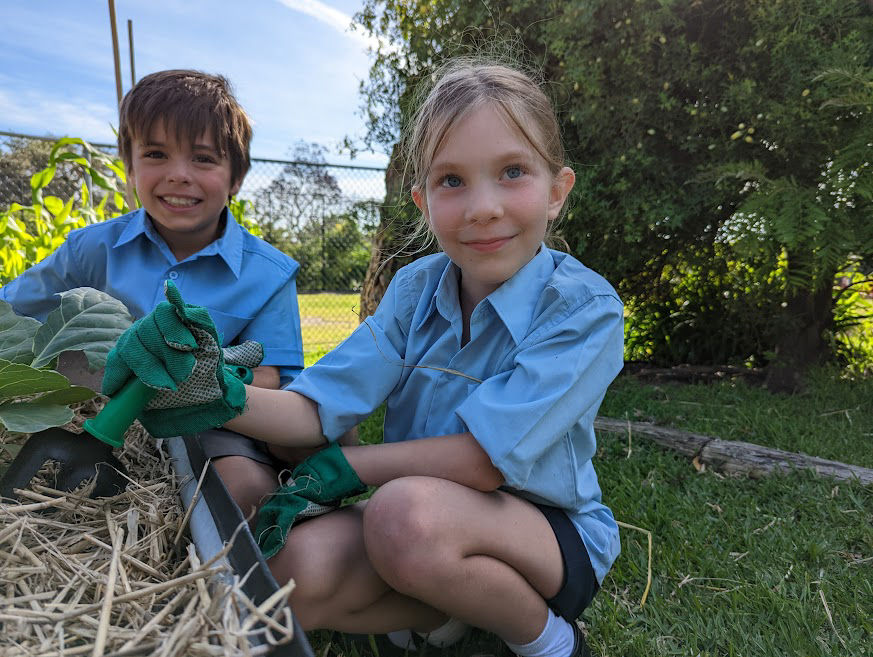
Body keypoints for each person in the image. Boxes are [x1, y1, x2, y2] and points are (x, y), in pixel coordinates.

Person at [103, 59, 624, 657]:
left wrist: (350, 469)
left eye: (512, 172)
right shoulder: (415, 289)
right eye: (451, 180)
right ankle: (446, 608)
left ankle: (547, 638)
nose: (482, 207)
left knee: (402, 514)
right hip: (421, 520)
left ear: (557, 191)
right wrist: (215, 391)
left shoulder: (583, 308)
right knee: (285, 576)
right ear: (423, 201)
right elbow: (313, 409)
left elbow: (484, 463)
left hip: (548, 537)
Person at [0, 69, 307, 518]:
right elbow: (11, 313)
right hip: (88, 402)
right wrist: (87, 378)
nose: (178, 175)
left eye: (203, 159)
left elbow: (272, 377)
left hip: (208, 420)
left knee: (244, 490)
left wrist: (198, 378)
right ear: (130, 166)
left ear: (236, 178)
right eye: (156, 154)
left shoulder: (269, 274)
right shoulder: (91, 250)